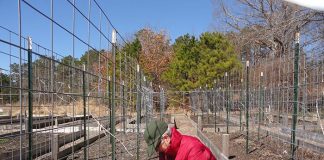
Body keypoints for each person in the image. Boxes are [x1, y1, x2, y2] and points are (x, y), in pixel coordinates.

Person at [144, 120, 216, 160]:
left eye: (156, 147)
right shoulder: (165, 151)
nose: (157, 151)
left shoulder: (193, 148)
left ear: (166, 139)